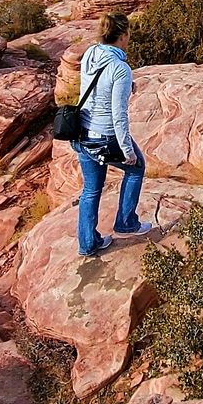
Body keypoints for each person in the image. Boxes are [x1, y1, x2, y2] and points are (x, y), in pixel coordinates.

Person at [71, 13, 152, 256]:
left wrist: (126, 86)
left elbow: (95, 86)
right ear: (123, 35)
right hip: (105, 136)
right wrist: (127, 150)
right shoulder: (120, 68)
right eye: (128, 35)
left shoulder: (91, 54)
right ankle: (126, 223)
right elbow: (118, 115)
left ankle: (88, 244)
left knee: (91, 190)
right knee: (136, 168)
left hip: (82, 134)